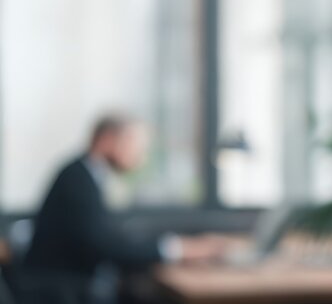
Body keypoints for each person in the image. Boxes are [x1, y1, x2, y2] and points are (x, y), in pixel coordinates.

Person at [21, 114, 226, 304]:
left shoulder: (85, 175)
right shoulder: (77, 180)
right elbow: (103, 244)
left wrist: (175, 246)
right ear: (108, 140)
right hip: (63, 290)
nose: (140, 155)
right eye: (135, 144)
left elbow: (105, 236)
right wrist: (178, 249)